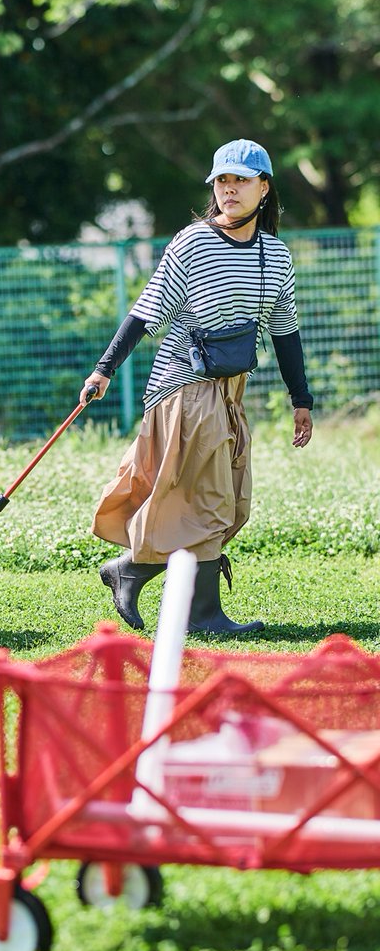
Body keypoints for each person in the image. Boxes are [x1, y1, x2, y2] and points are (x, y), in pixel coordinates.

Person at [79, 138, 313, 635]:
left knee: (223, 498)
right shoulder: (193, 242)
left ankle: (131, 570)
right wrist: (104, 369)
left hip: (229, 392)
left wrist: (301, 400)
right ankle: (201, 614)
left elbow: (284, 329)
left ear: (264, 188)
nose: (229, 189)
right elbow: (147, 311)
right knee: (209, 499)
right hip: (184, 387)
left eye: (241, 180)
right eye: (222, 180)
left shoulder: (275, 254)